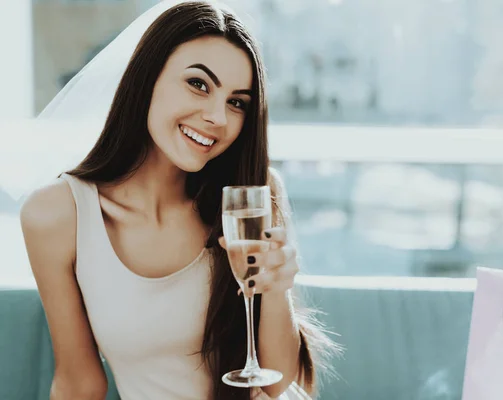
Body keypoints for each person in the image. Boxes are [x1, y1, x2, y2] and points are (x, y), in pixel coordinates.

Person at [19, 1, 337, 399]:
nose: (218, 117)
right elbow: (78, 380)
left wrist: (277, 289)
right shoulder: (57, 215)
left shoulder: (252, 195)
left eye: (237, 102)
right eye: (198, 84)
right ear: (146, 78)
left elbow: (278, 383)